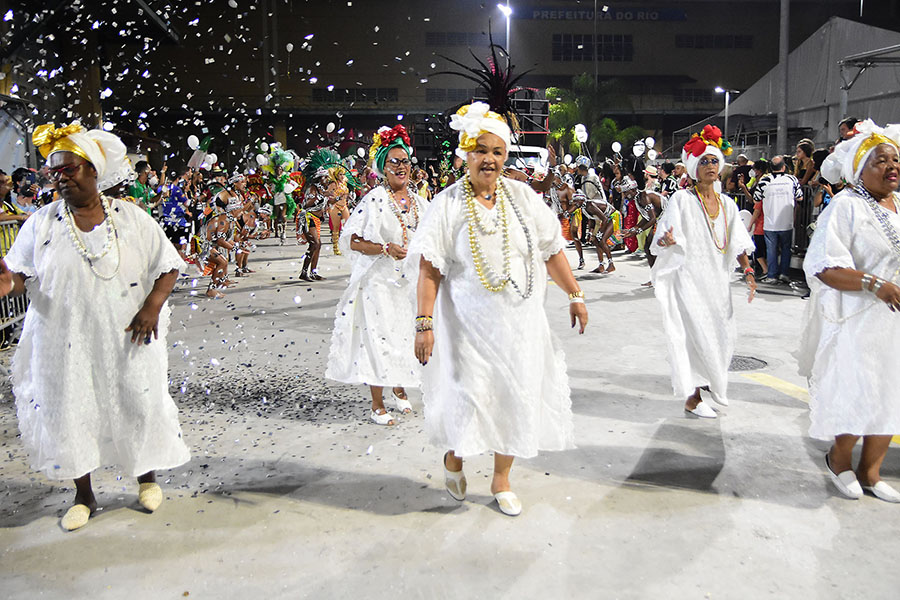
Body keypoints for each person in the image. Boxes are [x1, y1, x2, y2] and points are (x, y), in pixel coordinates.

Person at [0, 122, 189, 531]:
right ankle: (84, 495)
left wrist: (152, 307)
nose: (60, 178)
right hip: (61, 338)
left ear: (93, 171)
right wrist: (7, 283)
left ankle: (146, 479)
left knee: (137, 402)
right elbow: (20, 274)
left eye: (69, 169)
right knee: (70, 410)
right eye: (55, 171)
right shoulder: (42, 223)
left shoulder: (130, 218)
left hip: (127, 335)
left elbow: (169, 265)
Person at [409, 102, 588, 517]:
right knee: (469, 397)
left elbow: (551, 250)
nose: (489, 159)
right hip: (467, 327)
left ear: (506, 156)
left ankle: (501, 479)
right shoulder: (447, 204)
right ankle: (454, 459)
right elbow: (429, 268)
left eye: (498, 151)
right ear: (464, 154)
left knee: (514, 396)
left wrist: (575, 293)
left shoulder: (523, 197)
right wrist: (424, 323)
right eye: (480, 150)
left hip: (520, 325)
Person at [799, 120, 900, 503]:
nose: (892, 166)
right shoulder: (845, 207)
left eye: (895, 159)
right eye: (880, 161)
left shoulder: (899, 205)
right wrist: (876, 285)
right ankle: (839, 460)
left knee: (891, 395)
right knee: (859, 393)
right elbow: (824, 266)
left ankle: (871, 473)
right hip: (859, 322)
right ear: (859, 169)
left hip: (895, 325)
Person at [652, 125, 756, 419]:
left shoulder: (728, 205)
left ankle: (713, 386)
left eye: (713, 161)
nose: (710, 166)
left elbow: (737, 242)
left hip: (718, 282)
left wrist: (748, 271)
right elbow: (662, 236)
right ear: (693, 168)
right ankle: (693, 397)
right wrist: (667, 240)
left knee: (721, 334)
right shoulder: (682, 200)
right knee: (693, 335)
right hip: (689, 279)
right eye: (704, 162)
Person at [326, 125, 427, 425]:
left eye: (405, 161)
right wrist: (384, 248)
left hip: (407, 285)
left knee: (405, 338)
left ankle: (399, 388)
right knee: (380, 341)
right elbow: (352, 240)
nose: (400, 167)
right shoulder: (375, 199)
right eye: (393, 162)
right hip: (379, 284)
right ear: (383, 168)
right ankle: (376, 404)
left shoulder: (420, 201)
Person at [754, 156, 803, 283]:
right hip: (787, 221)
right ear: (784, 167)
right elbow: (800, 197)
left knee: (771, 250)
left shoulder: (765, 181)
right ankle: (784, 274)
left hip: (770, 222)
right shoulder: (792, 179)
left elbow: (756, 198)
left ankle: (771, 276)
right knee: (786, 249)